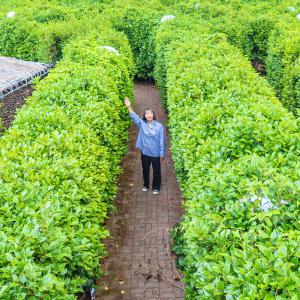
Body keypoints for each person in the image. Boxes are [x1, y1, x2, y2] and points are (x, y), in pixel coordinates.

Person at [124, 96, 166, 195]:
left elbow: (162, 141)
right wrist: (129, 107)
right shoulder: (142, 124)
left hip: (156, 153)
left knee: (157, 171)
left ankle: (156, 187)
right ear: (145, 116)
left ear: (153, 115)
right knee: (145, 169)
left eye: (150, 113)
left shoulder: (159, 126)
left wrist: (162, 153)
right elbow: (134, 117)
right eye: (147, 113)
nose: (149, 115)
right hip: (145, 152)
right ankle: (146, 185)